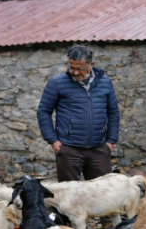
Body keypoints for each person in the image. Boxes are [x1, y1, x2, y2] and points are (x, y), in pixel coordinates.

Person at [37, 45, 120, 182]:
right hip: (68, 149)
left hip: (99, 149)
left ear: (91, 64)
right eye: (71, 67)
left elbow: (113, 112)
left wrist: (110, 141)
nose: (75, 72)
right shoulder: (56, 83)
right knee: (69, 193)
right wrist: (53, 141)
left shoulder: (105, 82)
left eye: (80, 68)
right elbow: (43, 111)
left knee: (101, 190)